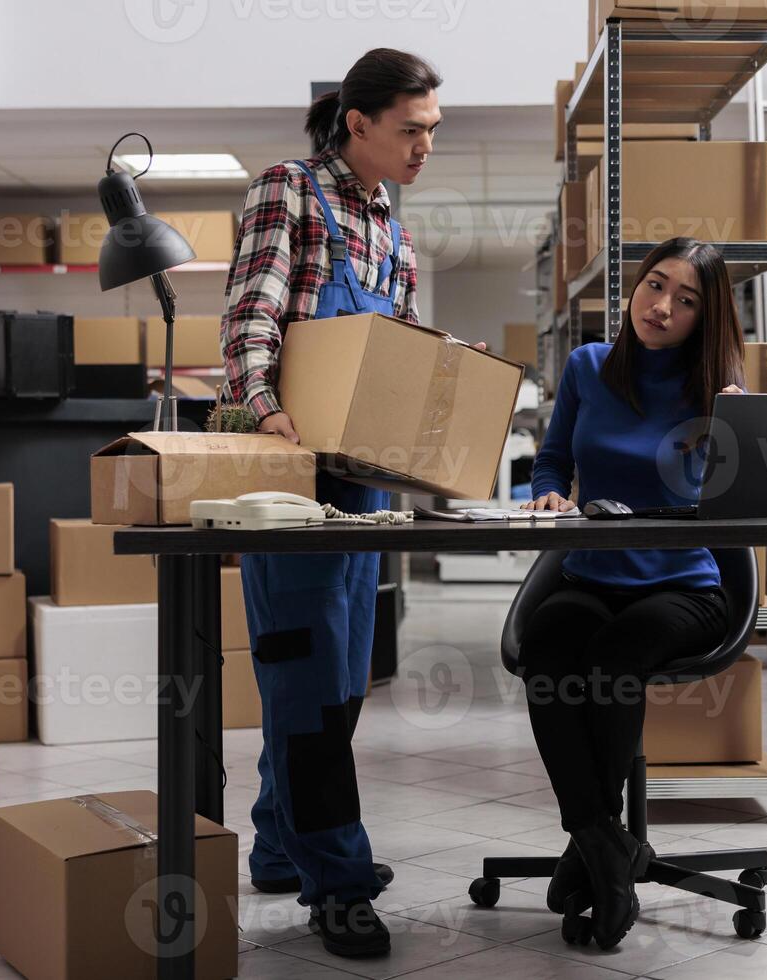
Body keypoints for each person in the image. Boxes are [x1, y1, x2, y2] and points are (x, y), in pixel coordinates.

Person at [220, 48, 471, 958]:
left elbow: (390, 361)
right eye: (412, 130)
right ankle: (338, 881)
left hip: (362, 485)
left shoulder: (391, 229)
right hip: (291, 480)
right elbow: (249, 322)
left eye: (433, 132)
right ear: (357, 123)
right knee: (309, 688)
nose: (424, 147)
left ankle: (282, 847)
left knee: (338, 681)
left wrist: (444, 374)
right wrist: (268, 412)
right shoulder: (287, 192)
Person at [519, 237, 745, 950]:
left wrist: (741, 434)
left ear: (703, 320)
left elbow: (741, 503)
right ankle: (602, 840)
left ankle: (595, 846)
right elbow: (553, 457)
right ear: (634, 289)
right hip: (590, 573)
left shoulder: (716, 389)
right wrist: (549, 492)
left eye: (685, 301)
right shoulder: (588, 367)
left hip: (685, 586)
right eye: (656, 286)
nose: (663, 306)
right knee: (547, 646)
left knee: (616, 655)